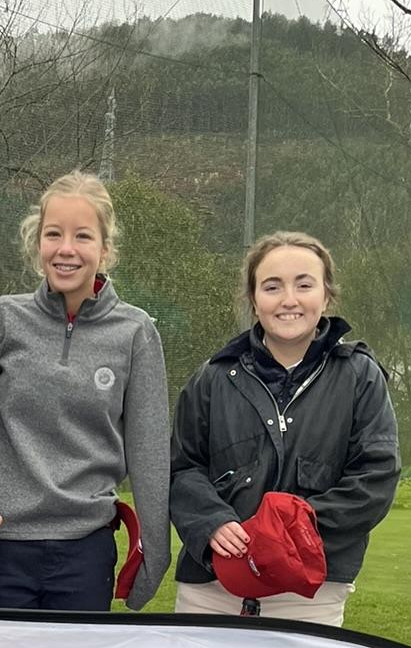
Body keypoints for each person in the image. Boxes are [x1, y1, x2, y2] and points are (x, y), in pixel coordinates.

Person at [0, 172, 171, 612]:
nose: (66, 248)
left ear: (105, 249)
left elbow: (149, 453)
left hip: (87, 551)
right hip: (4, 547)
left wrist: (156, 554)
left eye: (83, 236)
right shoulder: (1, 320)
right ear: (38, 243)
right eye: (53, 234)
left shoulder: (135, 332)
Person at [169, 231, 399, 626]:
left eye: (304, 285)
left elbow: (375, 477)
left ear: (326, 296)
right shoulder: (213, 377)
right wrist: (211, 523)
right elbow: (181, 468)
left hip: (311, 593)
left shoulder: (359, 377)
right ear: (253, 299)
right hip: (212, 588)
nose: (288, 299)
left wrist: (289, 536)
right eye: (272, 286)